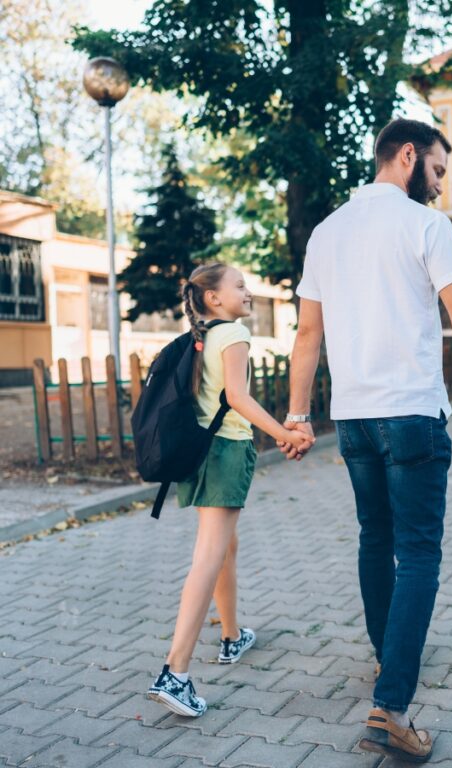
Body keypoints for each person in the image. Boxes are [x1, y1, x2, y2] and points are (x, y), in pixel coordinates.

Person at [281, 118, 452, 762]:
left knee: (377, 537)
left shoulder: (326, 231)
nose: (442, 186)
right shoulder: (425, 226)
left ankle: (388, 654)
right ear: (407, 155)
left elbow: (307, 335)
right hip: (414, 416)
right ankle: (391, 706)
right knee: (418, 553)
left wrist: (298, 414)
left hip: (356, 420)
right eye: (440, 171)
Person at [146, 263, 314, 717]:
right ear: (213, 298)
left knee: (225, 548)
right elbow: (238, 398)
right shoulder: (234, 336)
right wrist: (285, 432)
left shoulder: (204, 337)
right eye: (238, 285)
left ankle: (231, 635)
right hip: (226, 452)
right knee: (208, 555)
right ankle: (175, 671)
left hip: (199, 453)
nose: (248, 290)